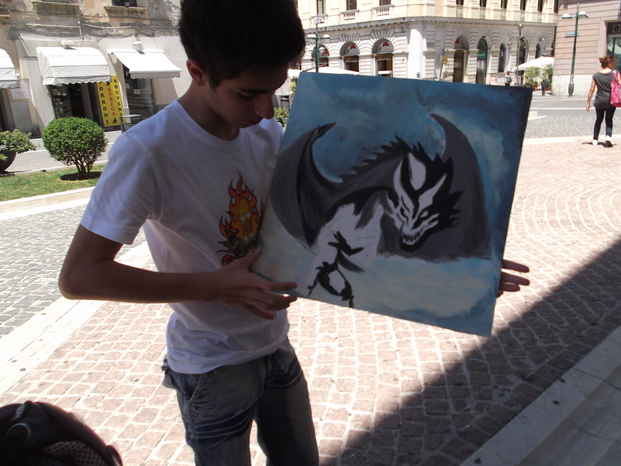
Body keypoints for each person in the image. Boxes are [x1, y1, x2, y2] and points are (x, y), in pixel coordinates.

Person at [58, 0, 531, 464]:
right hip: (210, 365)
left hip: (275, 347)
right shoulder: (148, 151)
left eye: (276, 90)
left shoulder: (262, 133)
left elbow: (346, 223)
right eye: (248, 94)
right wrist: (212, 286)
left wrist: (459, 265)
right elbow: (79, 277)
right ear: (198, 72)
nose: (267, 110)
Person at [587, 55, 621, 147]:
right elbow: (619, 87)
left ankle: (595, 139)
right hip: (611, 100)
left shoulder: (596, 75)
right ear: (610, 63)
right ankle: (608, 136)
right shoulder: (615, 73)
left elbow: (591, 90)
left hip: (599, 100)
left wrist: (588, 102)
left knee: (598, 119)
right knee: (609, 119)